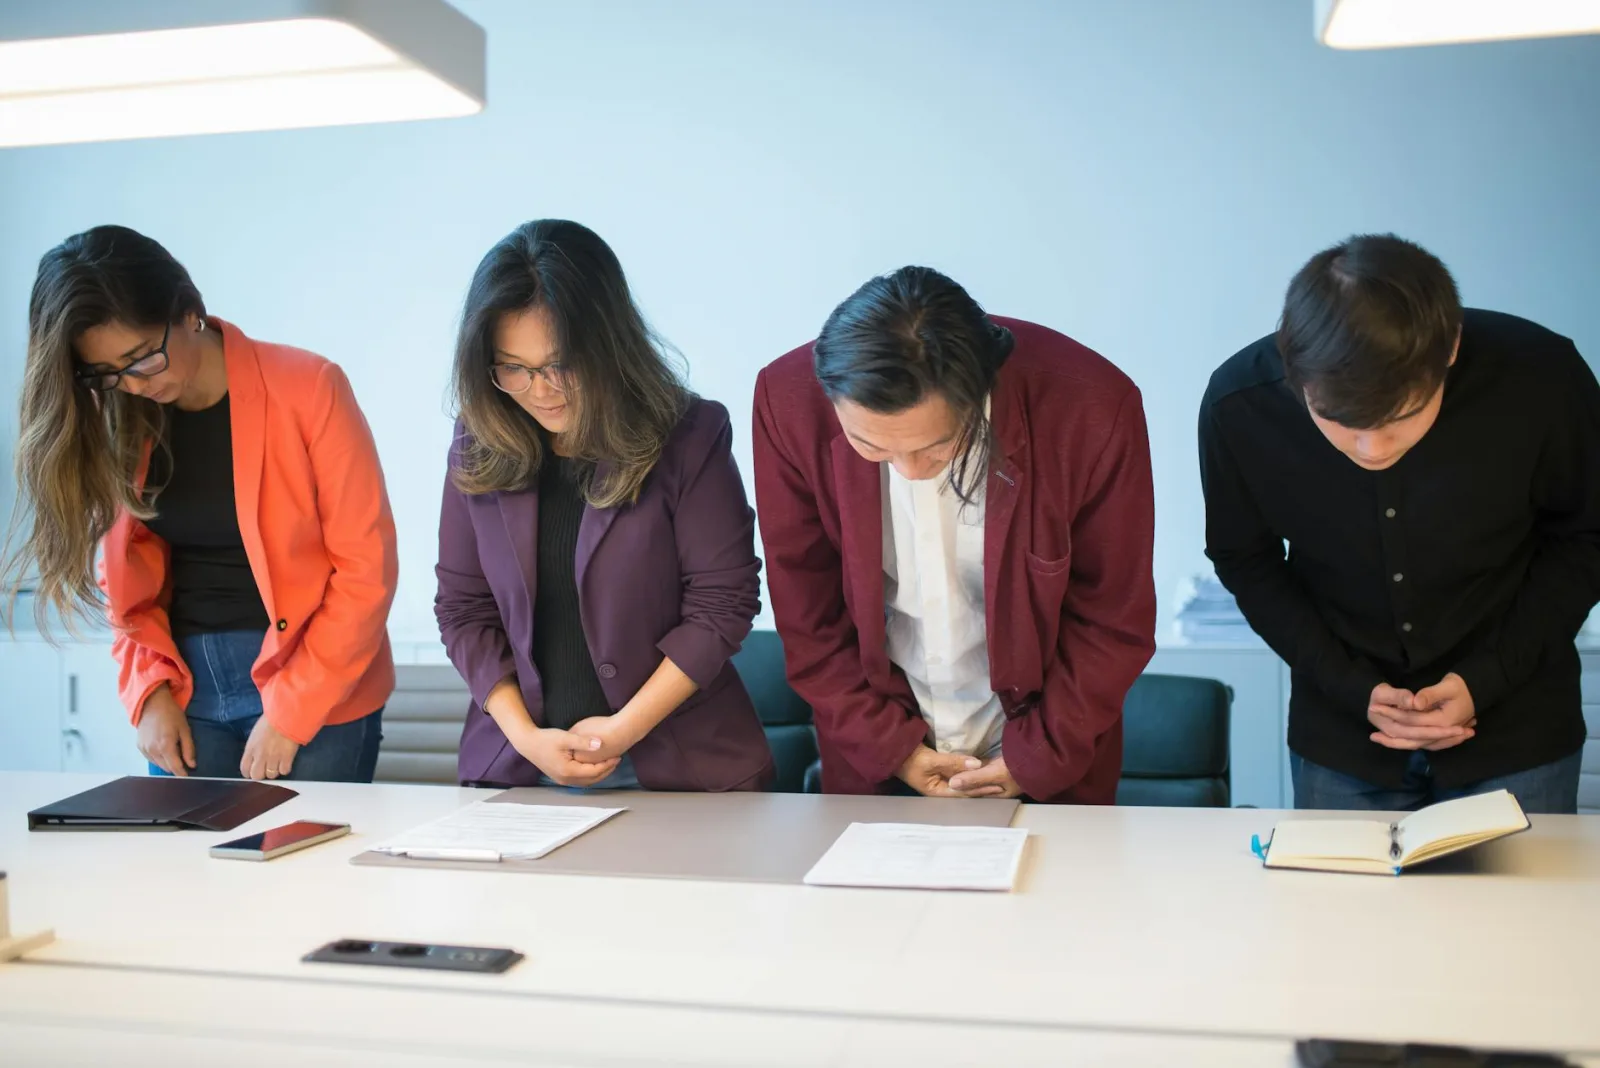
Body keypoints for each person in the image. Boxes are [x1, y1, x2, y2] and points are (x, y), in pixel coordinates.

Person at [1200, 233, 1600, 813]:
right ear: (1295, 373)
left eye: (1402, 417)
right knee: (1341, 906)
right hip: (1341, 736)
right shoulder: (1238, 405)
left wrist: (1486, 679)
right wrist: (1349, 685)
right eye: (1338, 421)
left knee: (1518, 907)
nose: (1371, 447)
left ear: (1451, 349)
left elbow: (1586, 538)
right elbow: (1245, 559)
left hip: (1518, 726)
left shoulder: (1542, 379)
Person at [1, 226, 396, 782]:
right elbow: (124, 582)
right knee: (180, 869)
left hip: (315, 693)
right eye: (107, 372)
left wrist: (291, 711)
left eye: (142, 358)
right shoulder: (120, 417)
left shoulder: (309, 387)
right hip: (186, 695)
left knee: (299, 868)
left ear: (189, 311)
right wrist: (148, 691)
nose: (132, 385)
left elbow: (366, 571)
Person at [752, 266, 1156, 802]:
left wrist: (1036, 754)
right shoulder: (788, 404)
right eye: (872, 447)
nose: (910, 471)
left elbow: (1112, 620)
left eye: (938, 447)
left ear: (980, 390)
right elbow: (809, 619)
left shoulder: (1091, 407)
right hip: (875, 753)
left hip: (1052, 756)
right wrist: (892, 747)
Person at [435, 219, 773, 791]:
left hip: (678, 765)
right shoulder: (478, 440)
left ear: (609, 344)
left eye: (560, 363)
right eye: (513, 368)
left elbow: (722, 604)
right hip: (521, 764)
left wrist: (619, 731)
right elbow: (464, 610)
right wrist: (524, 735)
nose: (540, 390)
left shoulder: (690, 434)